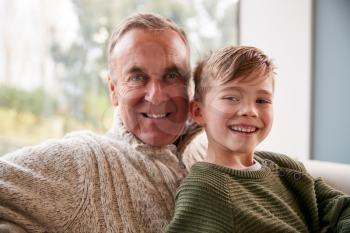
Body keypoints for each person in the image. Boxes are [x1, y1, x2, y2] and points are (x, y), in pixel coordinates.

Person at [0, 13, 205, 233]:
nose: (156, 96)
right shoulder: (86, 161)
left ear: (190, 87)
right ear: (113, 90)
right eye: (137, 77)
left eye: (172, 75)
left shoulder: (209, 156)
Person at [165, 46, 350, 233]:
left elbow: (343, 206)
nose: (250, 111)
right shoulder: (204, 190)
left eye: (261, 101)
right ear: (198, 111)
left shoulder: (285, 166)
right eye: (231, 97)